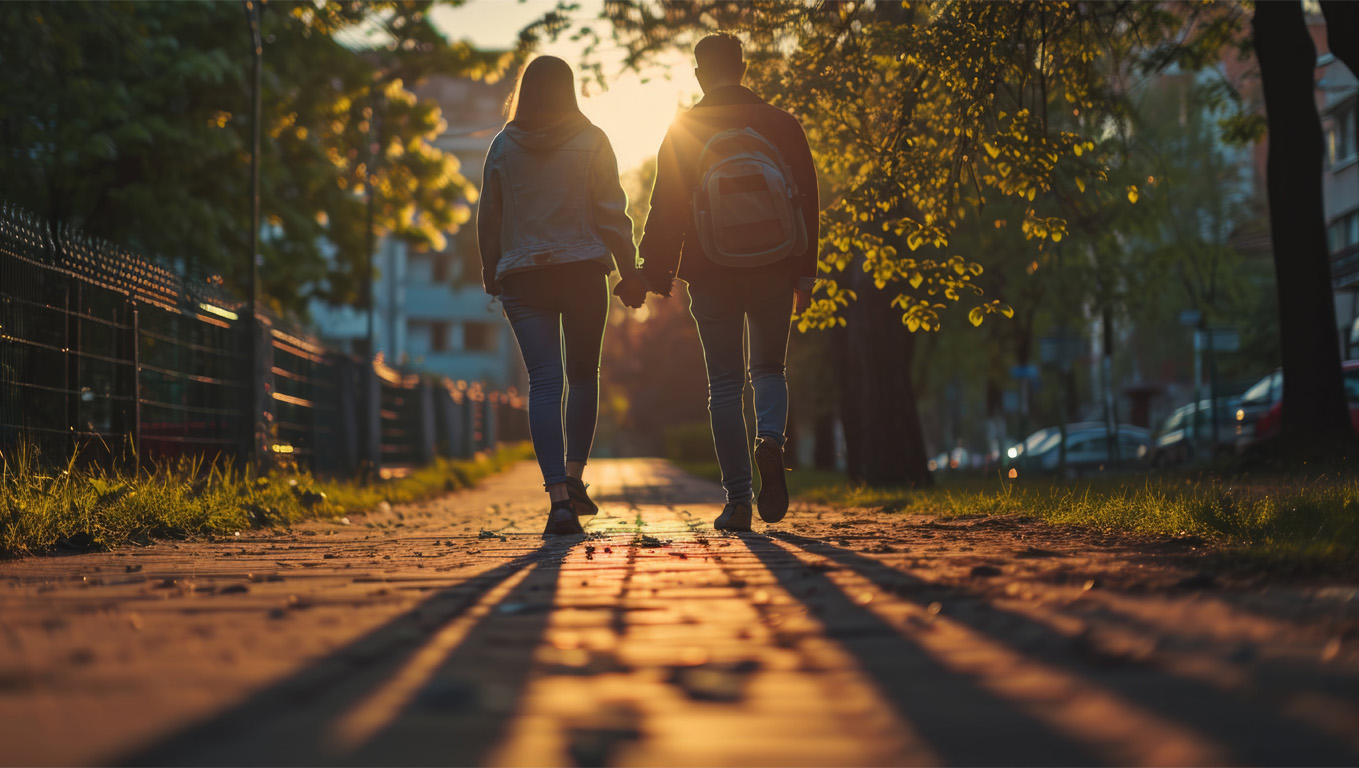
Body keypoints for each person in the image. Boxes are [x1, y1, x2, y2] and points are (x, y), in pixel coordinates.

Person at [639, 33, 820, 532]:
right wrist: (806, 270)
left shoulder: (685, 127)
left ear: (699, 74)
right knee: (769, 368)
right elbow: (807, 201)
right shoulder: (783, 125)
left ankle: (738, 500)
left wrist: (655, 272)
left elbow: (667, 208)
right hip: (776, 265)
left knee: (724, 383)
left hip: (711, 270)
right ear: (742, 67)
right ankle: (771, 441)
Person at [478, 55, 648, 536]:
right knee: (583, 377)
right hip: (582, 273)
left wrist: (492, 271)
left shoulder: (502, 145)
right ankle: (574, 478)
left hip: (523, 276)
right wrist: (629, 267)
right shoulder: (592, 139)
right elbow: (613, 211)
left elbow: (488, 215)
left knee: (544, 382)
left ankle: (557, 500)